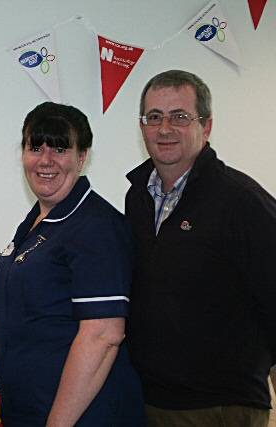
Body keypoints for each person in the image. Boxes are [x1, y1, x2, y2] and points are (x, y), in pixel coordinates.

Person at [126, 69, 276, 427]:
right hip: (152, 400)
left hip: (220, 406)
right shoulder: (137, 198)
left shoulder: (241, 201)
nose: (165, 129)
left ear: (206, 127)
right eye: (154, 117)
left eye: (180, 117)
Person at [0, 102, 145, 426]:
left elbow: (103, 335)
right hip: (32, 410)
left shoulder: (96, 227)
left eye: (60, 148)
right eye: (36, 147)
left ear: (82, 156)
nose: (45, 160)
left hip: (81, 417)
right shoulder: (38, 222)